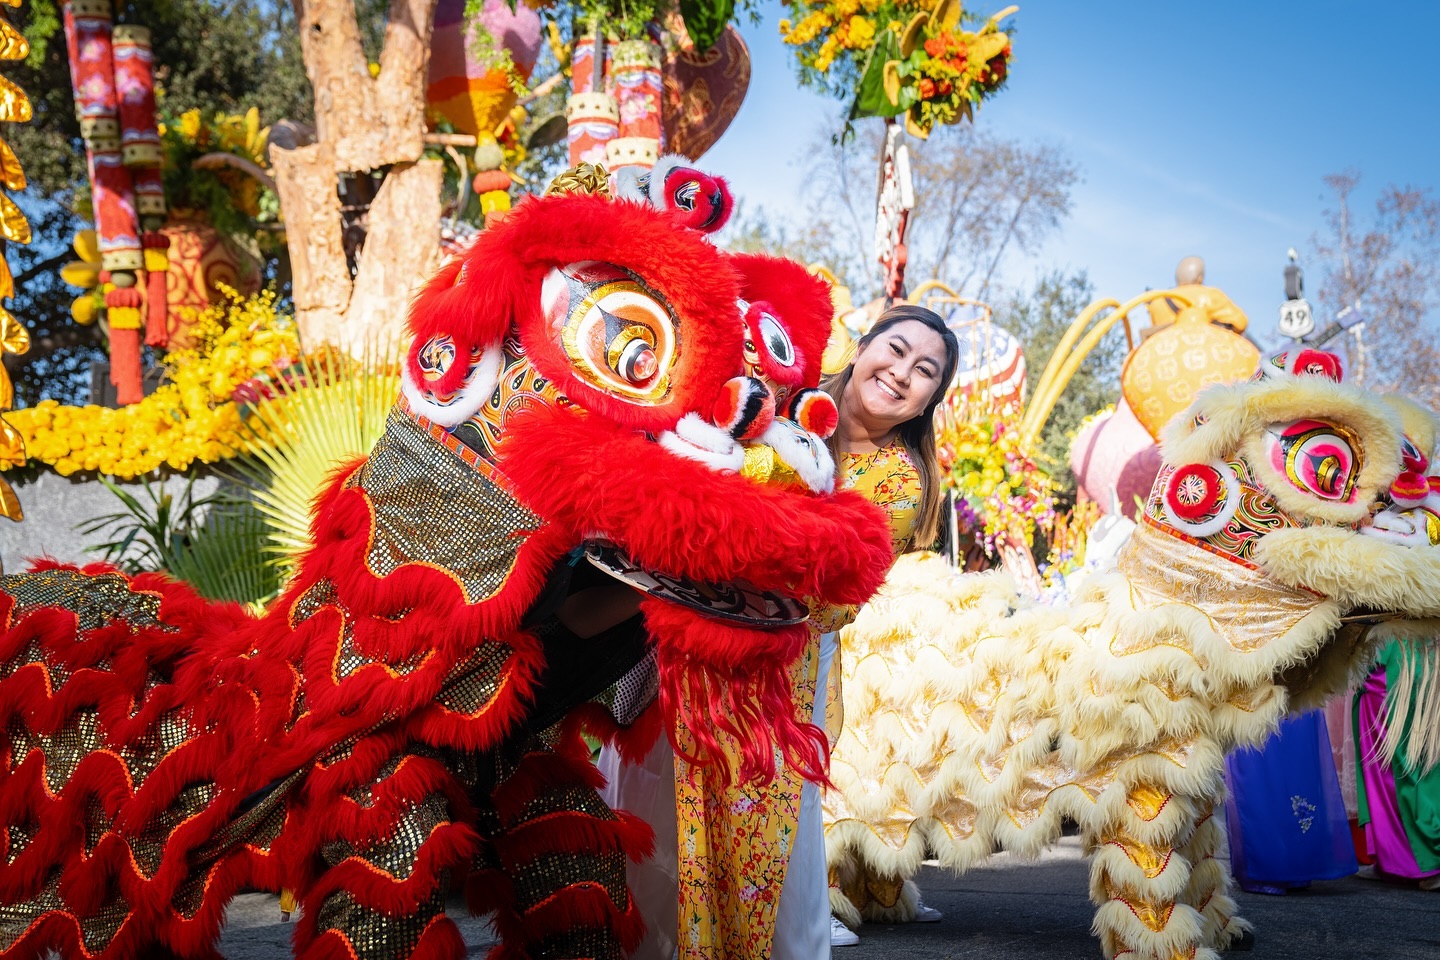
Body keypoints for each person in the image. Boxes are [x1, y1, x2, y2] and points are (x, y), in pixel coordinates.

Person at [598, 304, 958, 958]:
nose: (902, 373)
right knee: (648, 814)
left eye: (925, 370)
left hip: (778, 677)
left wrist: (731, 524)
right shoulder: (785, 394)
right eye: (896, 349)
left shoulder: (901, 482)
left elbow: (828, 588)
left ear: (932, 396)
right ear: (866, 343)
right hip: (679, 641)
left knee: (765, 850)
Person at [1222, 709, 1357, 895]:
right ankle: (1294, 868)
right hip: (1296, 696)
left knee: (1263, 768)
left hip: (1257, 699)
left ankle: (1271, 869)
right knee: (1290, 767)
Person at [1353, 638, 1440, 888]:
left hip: (1401, 658)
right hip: (1411, 654)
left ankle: (1424, 860)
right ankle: (1392, 856)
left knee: (1403, 763)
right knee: (1407, 761)